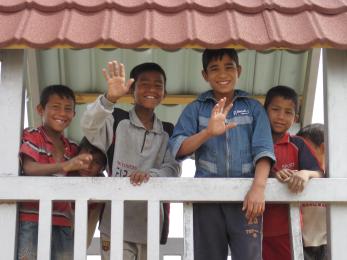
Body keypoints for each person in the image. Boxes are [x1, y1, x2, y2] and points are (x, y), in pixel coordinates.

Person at [169, 48, 276, 260]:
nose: (223, 74)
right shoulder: (196, 109)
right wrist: (208, 132)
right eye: (214, 69)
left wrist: (258, 187)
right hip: (207, 198)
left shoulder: (253, 108)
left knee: (249, 256)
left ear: (239, 70)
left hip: (247, 199)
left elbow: (264, 150)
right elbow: (178, 148)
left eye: (229, 67)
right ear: (204, 75)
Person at [81, 61, 181, 260]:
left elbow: (173, 168)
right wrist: (109, 99)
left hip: (150, 224)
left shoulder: (168, 131)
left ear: (165, 94)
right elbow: (89, 127)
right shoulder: (117, 120)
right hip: (115, 221)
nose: (151, 89)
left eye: (158, 85)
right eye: (144, 84)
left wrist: (151, 175)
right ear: (132, 90)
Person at [18, 85, 93, 260]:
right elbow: (29, 168)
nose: (62, 113)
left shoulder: (72, 147)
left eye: (68, 109)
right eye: (55, 107)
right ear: (40, 109)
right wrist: (64, 166)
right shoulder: (33, 135)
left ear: (74, 115)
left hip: (63, 220)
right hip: (32, 217)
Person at [262, 86, 323, 260]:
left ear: (295, 118)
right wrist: (273, 175)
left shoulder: (298, 144)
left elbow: (319, 173)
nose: (281, 116)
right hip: (251, 225)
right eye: (275, 110)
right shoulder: (254, 143)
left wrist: (305, 173)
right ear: (264, 111)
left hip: (287, 226)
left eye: (288, 112)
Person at [297, 123, 327, 260]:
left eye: (305, 150)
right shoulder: (300, 175)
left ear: (323, 148)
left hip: (328, 242)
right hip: (302, 243)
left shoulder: (337, 177)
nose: (301, 154)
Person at [70, 137, 107, 248]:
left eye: (96, 162)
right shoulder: (65, 176)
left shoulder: (103, 186)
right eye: (84, 159)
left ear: (102, 167)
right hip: (58, 237)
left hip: (82, 243)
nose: (88, 166)